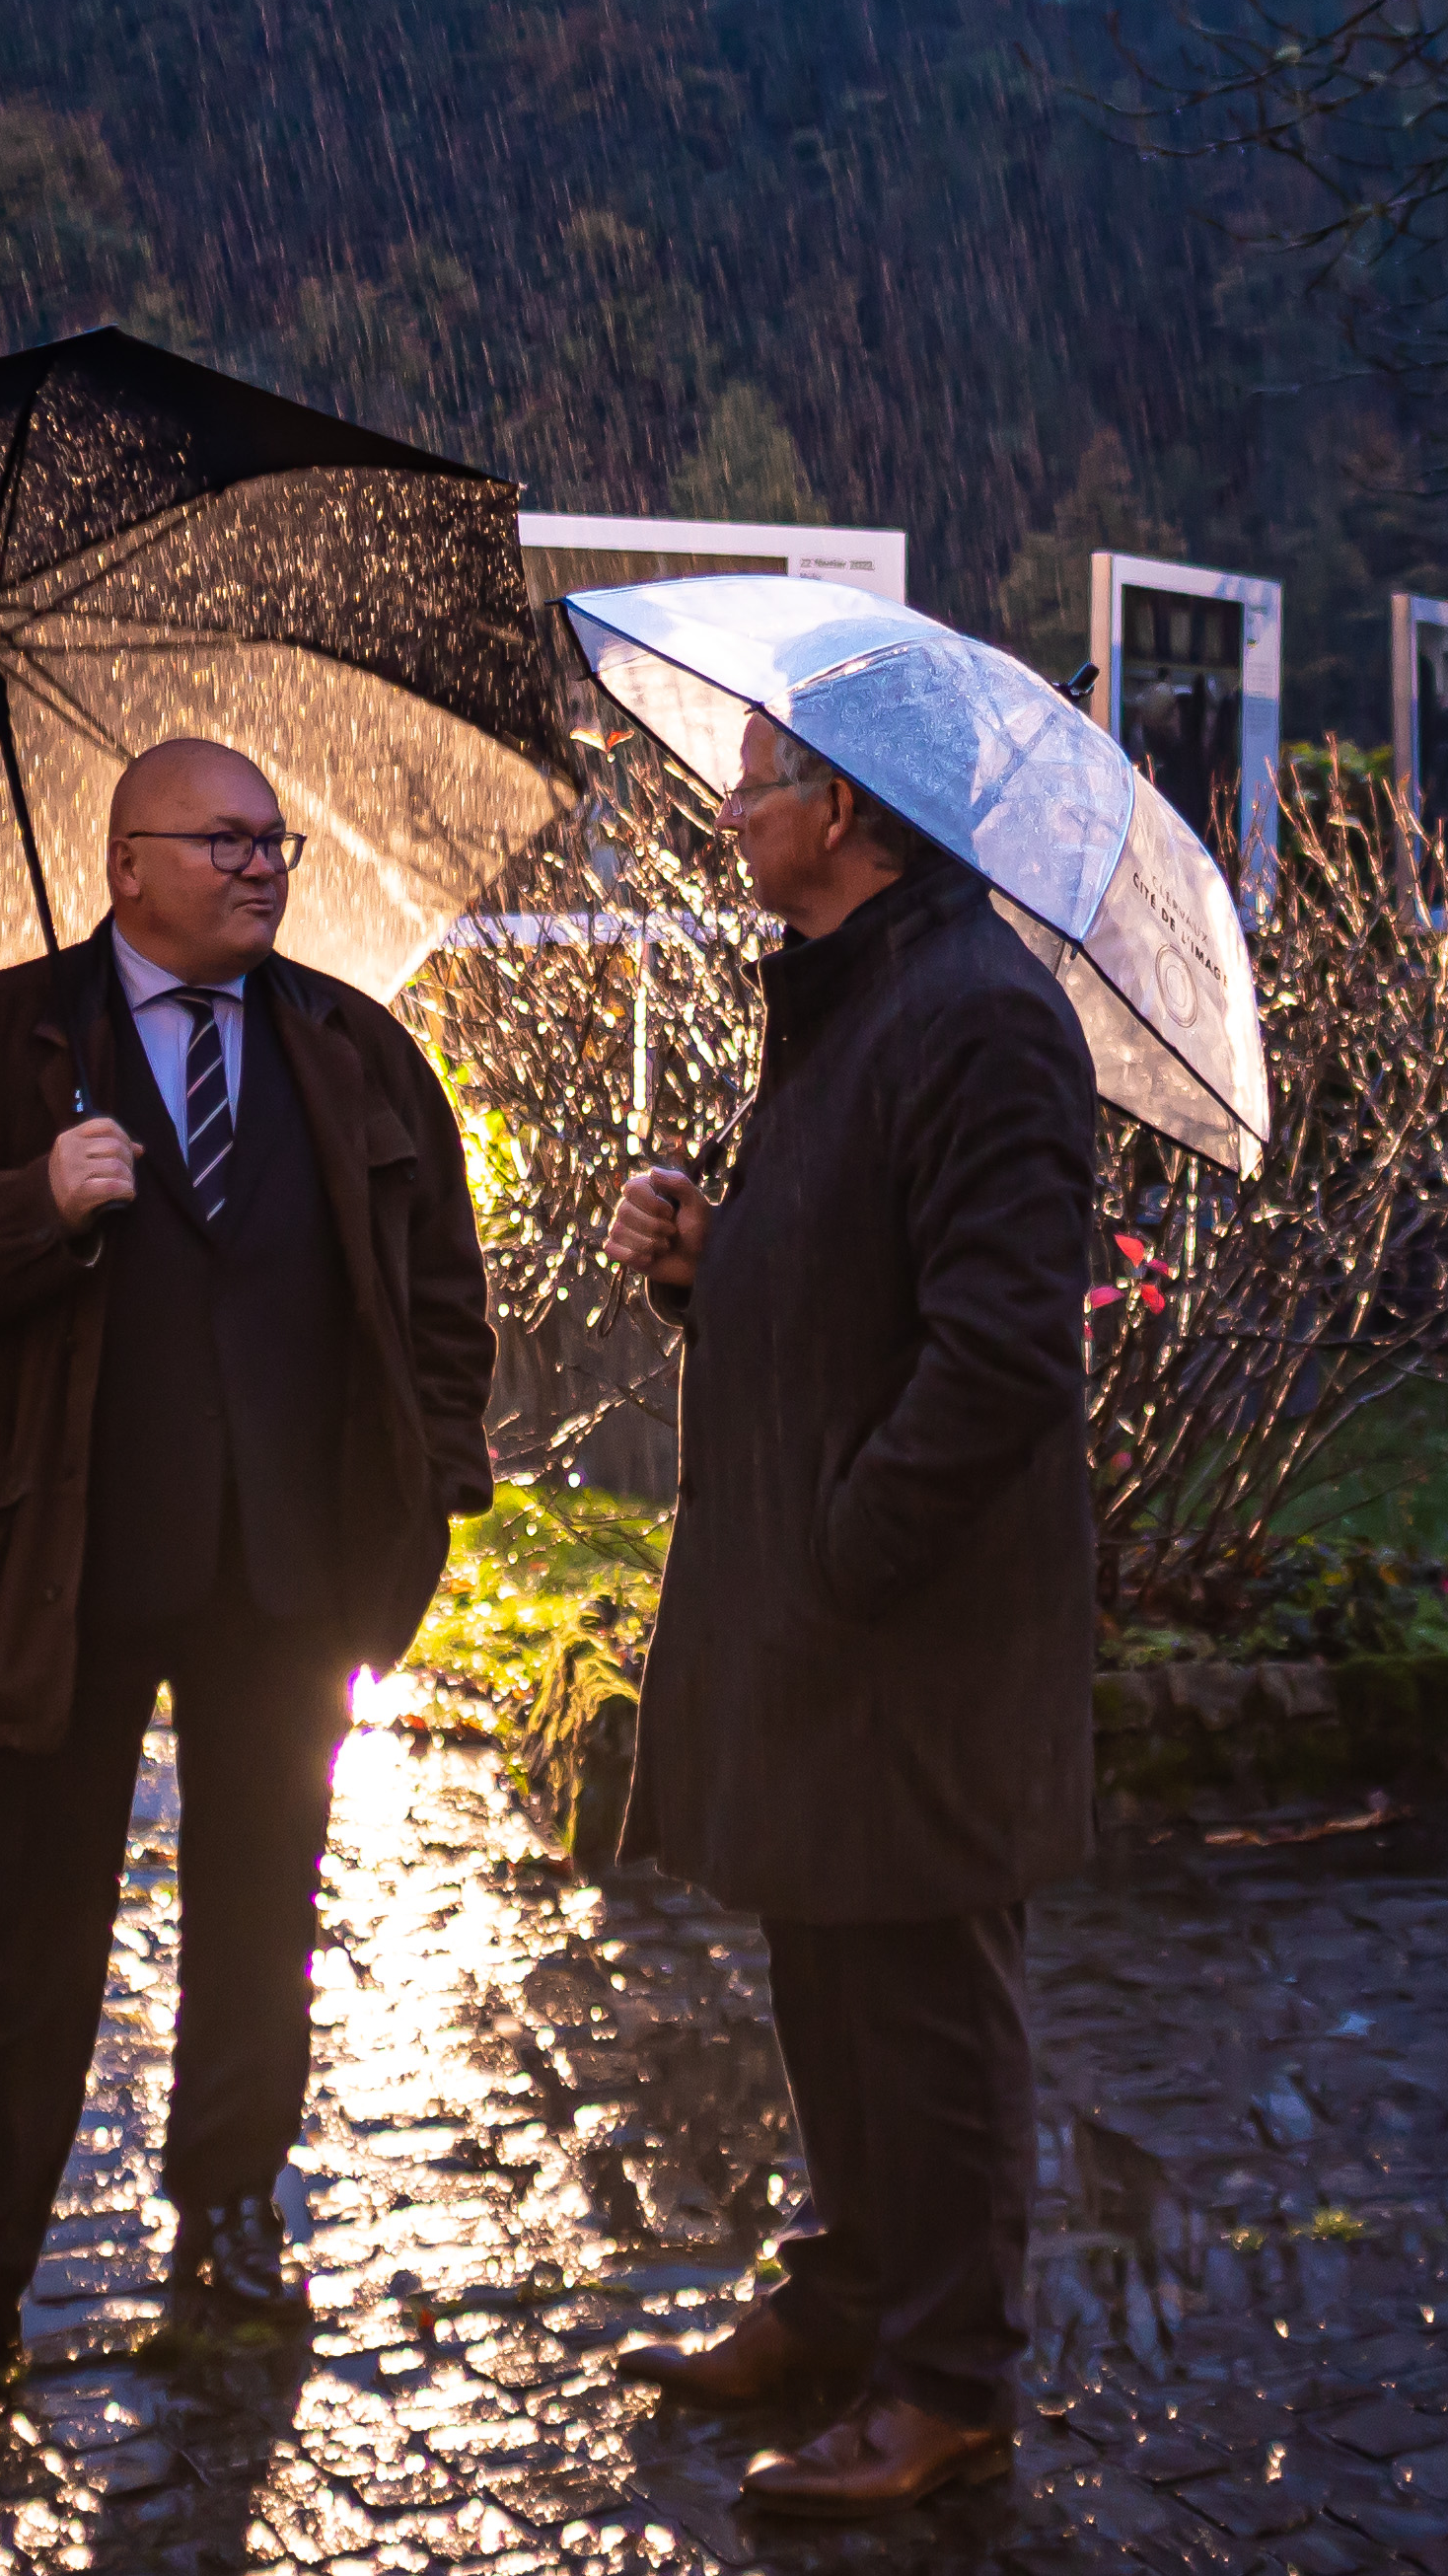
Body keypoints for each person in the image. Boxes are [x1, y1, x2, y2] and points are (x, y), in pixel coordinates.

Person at [0, 738, 495, 2406]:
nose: (263, 866)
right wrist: (29, 1200)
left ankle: (233, 2209)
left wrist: (440, 1487)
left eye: (277, 842)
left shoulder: (353, 1046)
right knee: (29, 1931)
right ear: (129, 862)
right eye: (227, 839)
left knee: (262, 1911)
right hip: (65, 1572)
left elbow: (441, 1295)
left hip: (291, 1575)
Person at [596, 710, 1097, 2520]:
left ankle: (948, 2384)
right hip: (825, 1616)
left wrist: (852, 1550)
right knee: (829, 1970)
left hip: (919, 1632)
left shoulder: (978, 1018)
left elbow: (1001, 1348)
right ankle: (851, 2299)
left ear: (844, 813)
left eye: (748, 781)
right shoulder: (840, 999)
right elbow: (835, 1291)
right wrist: (705, 1256)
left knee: (929, 2002)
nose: (723, 811)